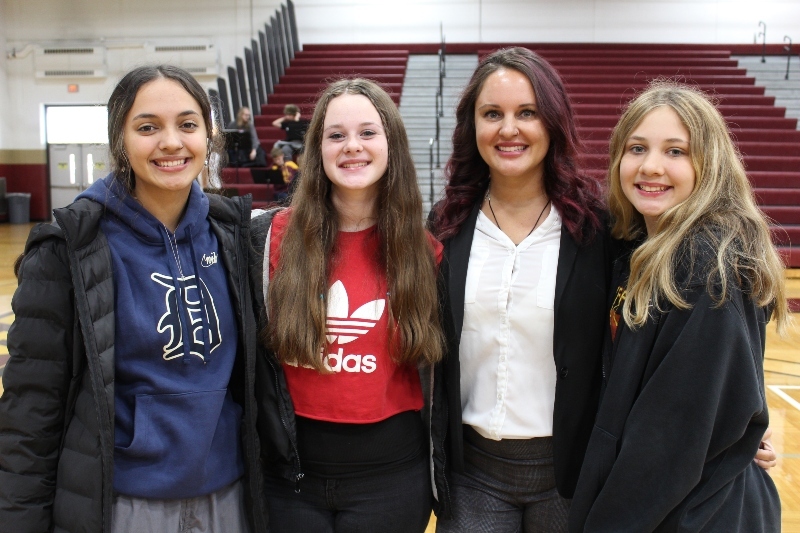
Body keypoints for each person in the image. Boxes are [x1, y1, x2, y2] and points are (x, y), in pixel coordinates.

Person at [0, 65, 267, 532]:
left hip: (231, 496)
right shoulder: (67, 247)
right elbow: (30, 411)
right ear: (120, 140)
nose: (170, 142)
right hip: (121, 503)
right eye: (148, 127)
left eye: (187, 124)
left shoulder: (233, 236)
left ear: (209, 136)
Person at [568, 82, 785, 532]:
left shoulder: (706, 264)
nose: (651, 166)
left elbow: (670, 439)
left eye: (676, 152)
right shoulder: (642, 247)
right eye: (637, 148)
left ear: (710, 165)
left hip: (697, 512)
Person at [250, 78, 444, 533]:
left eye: (367, 133)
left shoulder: (427, 251)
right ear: (318, 148)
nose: (352, 146)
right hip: (290, 481)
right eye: (336, 135)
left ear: (391, 144)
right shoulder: (269, 240)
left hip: (391, 481)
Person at [430, 47, 610, 533]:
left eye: (526, 113)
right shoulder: (445, 228)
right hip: (473, 474)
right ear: (474, 128)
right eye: (493, 114)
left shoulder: (597, 232)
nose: (509, 129)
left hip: (571, 473)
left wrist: (740, 425)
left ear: (552, 123)